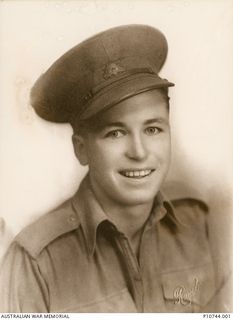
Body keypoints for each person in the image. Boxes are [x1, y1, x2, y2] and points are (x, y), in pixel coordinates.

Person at [0, 24, 231, 313]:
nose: (139, 152)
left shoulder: (199, 226)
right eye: (115, 133)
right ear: (81, 149)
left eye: (153, 129)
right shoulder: (36, 262)